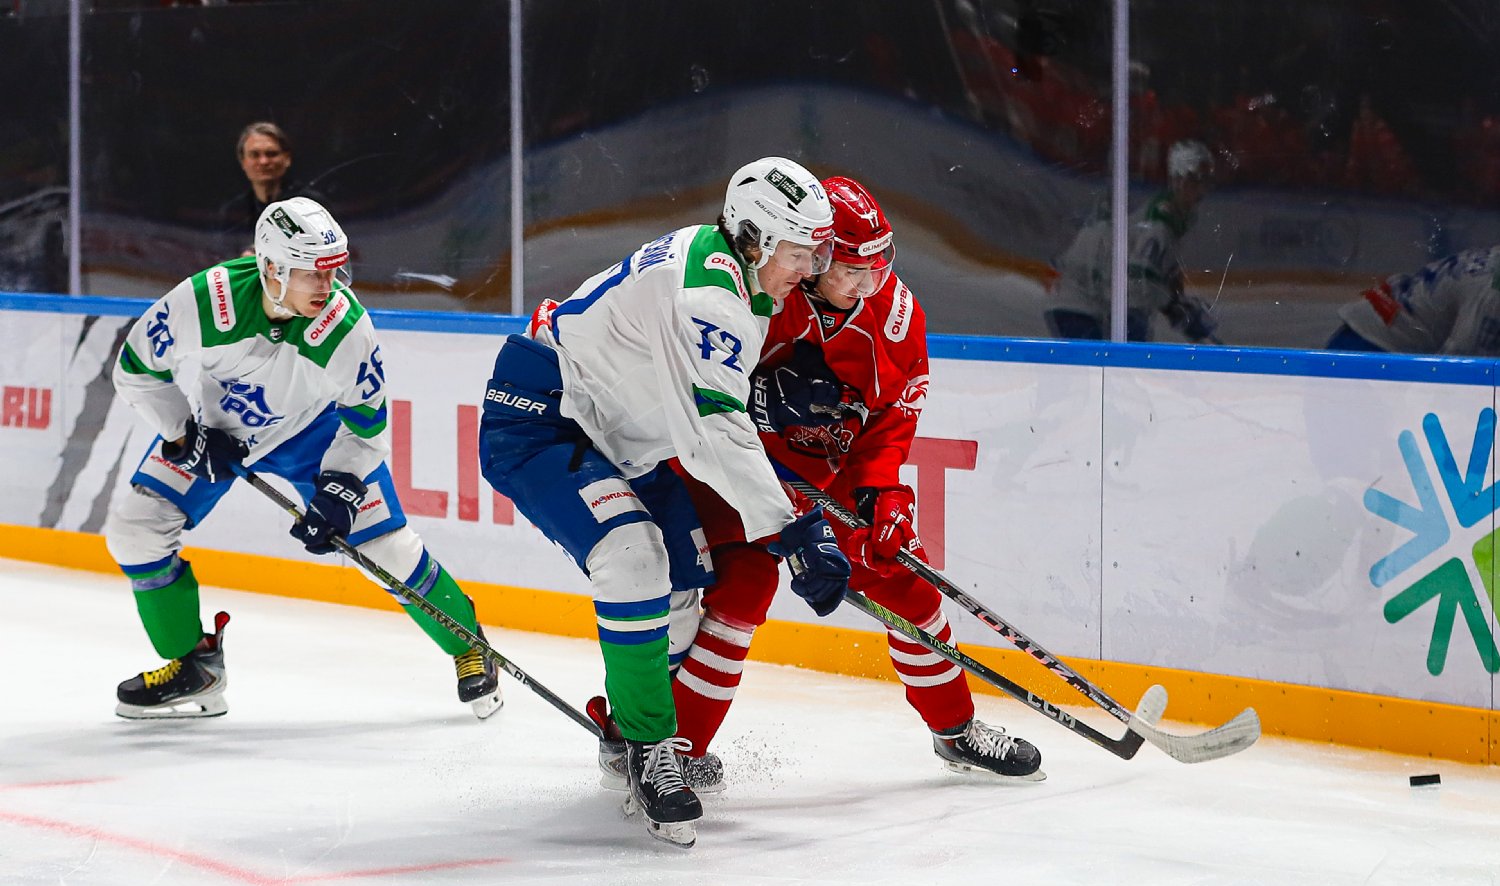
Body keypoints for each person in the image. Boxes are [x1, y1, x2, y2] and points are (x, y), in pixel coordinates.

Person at [606, 176, 1044, 792]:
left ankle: (956, 729)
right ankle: (673, 754)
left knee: (907, 583)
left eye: (877, 268)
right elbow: (699, 393)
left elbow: (892, 418)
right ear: (815, 258)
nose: (867, 284)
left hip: (824, 476)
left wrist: (881, 491)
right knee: (744, 589)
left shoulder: (895, 316)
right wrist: (761, 405)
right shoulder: (759, 291)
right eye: (851, 270)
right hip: (733, 472)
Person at [477, 156, 852, 847]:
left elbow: (705, 413)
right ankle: (652, 751)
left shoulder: (735, 277)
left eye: (816, 252)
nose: (809, 269)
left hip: (617, 439)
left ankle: (627, 731)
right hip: (541, 419)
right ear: (755, 238)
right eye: (800, 252)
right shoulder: (709, 298)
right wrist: (791, 526)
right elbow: (713, 431)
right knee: (634, 558)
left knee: (683, 586)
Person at [106, 197, 502, 723]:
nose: (327, 286)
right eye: (312, 273)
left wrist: (340, 486)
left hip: (315, 435)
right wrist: (183, 434)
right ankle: (194, 667)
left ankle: (468, 644)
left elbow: (366, 426)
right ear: (271, 268)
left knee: (386, 548)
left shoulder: (345, 328)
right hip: (218, 432)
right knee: (135, 529)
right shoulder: (206, 300)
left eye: (333, 271)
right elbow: (136, 366)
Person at [1046, 139, 1218, 343]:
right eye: (1196, 179)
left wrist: (1175, 302)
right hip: (1077, 306)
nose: (1202, 189)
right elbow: (1137, 284)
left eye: (1206, 180)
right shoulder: (1159, 225)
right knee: (1120, 357)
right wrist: (1173, 307)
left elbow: (1153, 276)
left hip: (1085, 304)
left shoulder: (1168, 220)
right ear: (1178, 179)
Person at [1324, 246, 1500, 356]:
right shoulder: (1491, 293)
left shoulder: (1491, 266)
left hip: (1368, 332)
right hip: (1371, 346)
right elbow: (1459, 368)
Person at [216, 123, 319, 255]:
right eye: (254, 155)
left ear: (287, 158)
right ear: (243, 161)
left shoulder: (310, 205)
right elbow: (224, 258)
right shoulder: (234, 211)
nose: (263, 161)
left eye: (271, 154)